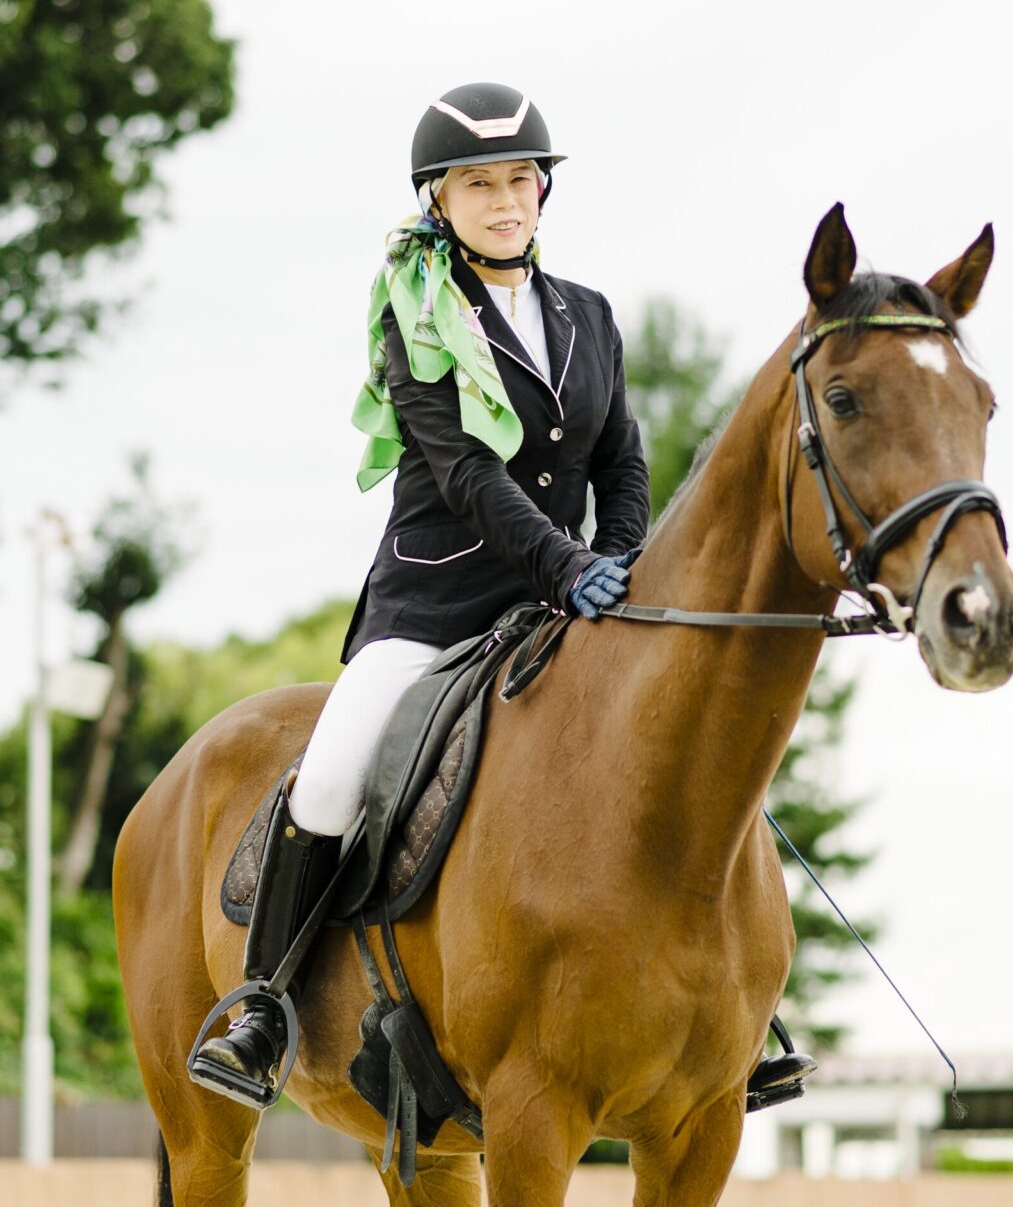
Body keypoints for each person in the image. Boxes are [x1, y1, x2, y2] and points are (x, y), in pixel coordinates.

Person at [193, 82, 812, 1110]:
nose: (503, 200)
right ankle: (263, 1007)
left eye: (519, 179)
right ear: (439, 201)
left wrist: (623, 562)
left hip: (566, 604)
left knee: (684, 749)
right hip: (432, 607)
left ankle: (735, 1010)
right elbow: (463, 475)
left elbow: (622, 459)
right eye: (477, 184)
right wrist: (566, 567)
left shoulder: (589, 316)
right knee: (335, 769)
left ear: (542, 191)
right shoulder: (415, 315)